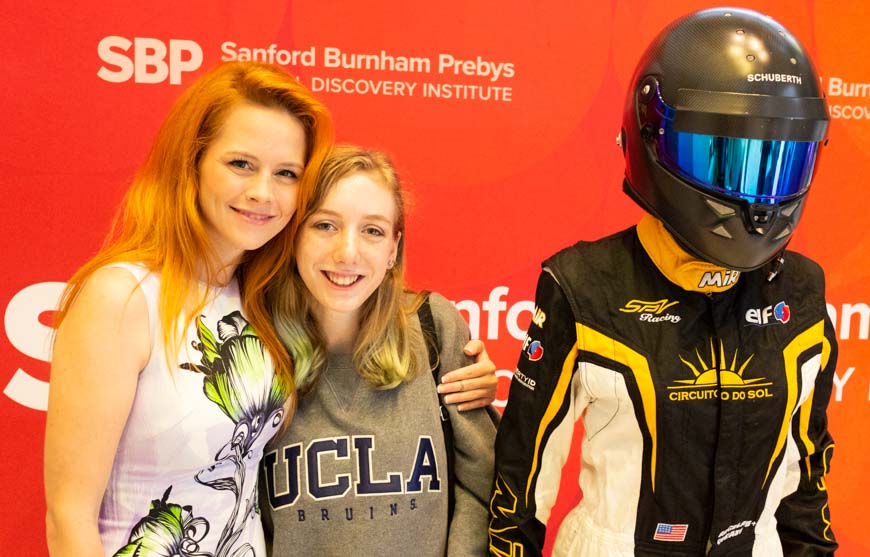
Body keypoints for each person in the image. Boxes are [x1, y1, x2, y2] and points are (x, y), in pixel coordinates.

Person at [44, 62, 495, 557]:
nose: (262, 192)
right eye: (240, 164)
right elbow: (69, 516)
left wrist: (474, 382)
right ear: (191, 162)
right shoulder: (121, 298)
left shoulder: (257, 301)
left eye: (285, 174)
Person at [489, 8, 836, 557]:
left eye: (779, 162)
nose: (755, 197)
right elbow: (521, 484)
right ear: (653, 139)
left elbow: (807, 474)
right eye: (725, 158)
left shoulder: (799, 289)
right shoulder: (583, 285)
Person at [262, 145, 497, 556]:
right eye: (325, 225)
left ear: (393, 248)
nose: (347, 253)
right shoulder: (253, 347)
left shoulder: (434, 328)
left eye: (372, 230)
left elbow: (483, 484)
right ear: (293, 234)